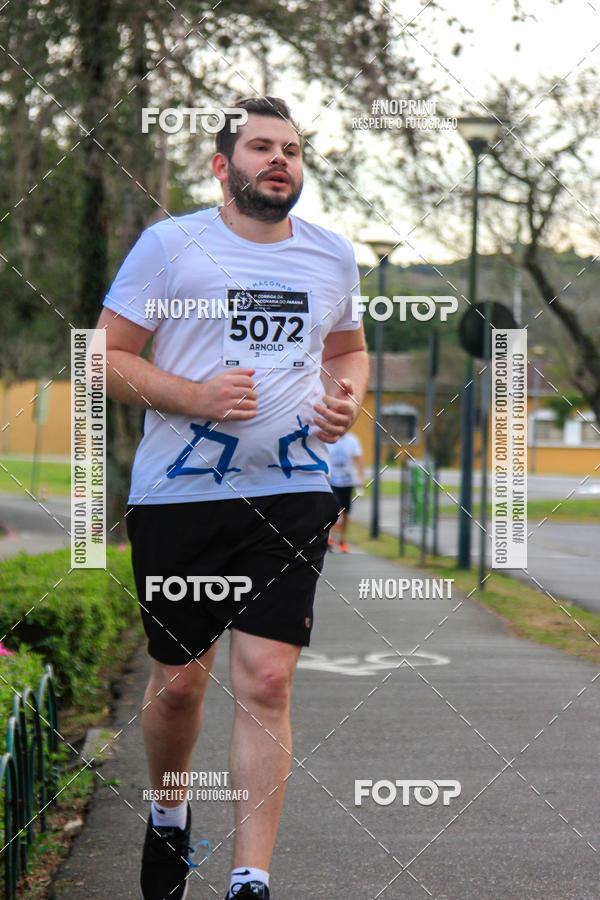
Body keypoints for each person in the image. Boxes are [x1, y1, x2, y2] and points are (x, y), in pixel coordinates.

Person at [96, 96, 368, 900]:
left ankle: (250, 879)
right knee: (181, 681)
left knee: (268, 682)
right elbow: (104, 358)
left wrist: (345, 398)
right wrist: (192, 396)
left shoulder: (331, 256)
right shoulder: (170, 246)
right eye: (260, 147)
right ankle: (171, 809)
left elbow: (347, 349)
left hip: (290, 493)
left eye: (291, 147)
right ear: (224, 166)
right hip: (179, 500)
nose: (280, 158)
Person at [328, 431, 364, 552]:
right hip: (332, 481)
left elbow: (359, 459)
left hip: (348, 482)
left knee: (346, 512)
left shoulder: (352, 440)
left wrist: (361, 478)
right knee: (334, 509)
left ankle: (342, 541)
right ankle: (330, 537)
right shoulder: (329, 439)